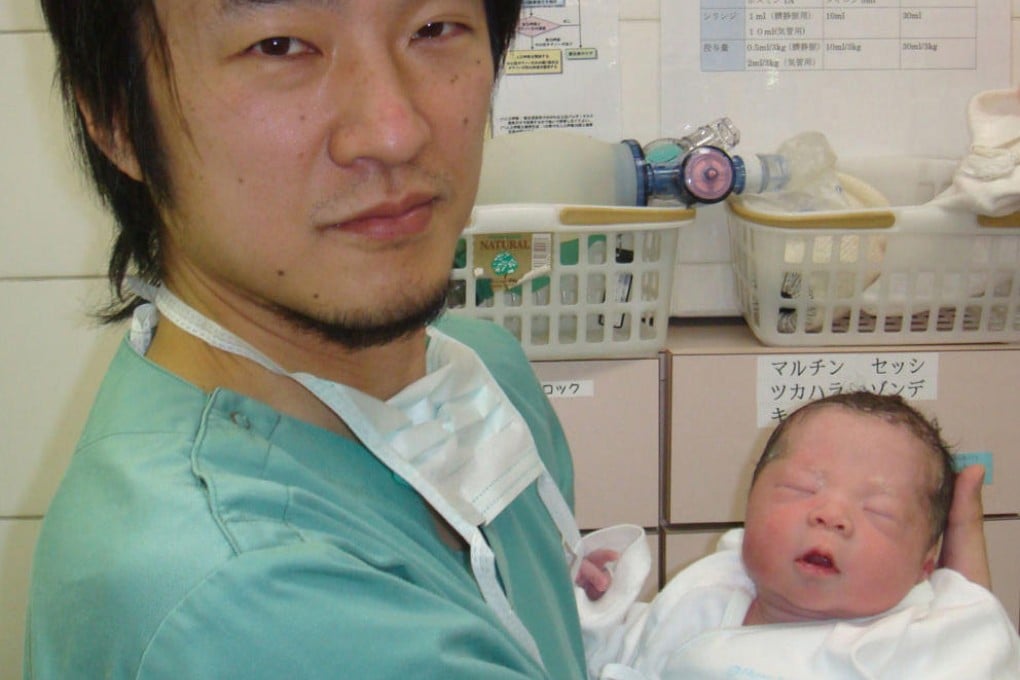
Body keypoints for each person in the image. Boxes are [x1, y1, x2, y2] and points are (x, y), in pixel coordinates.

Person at [23, 0, 992, 678]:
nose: (395, 129)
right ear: (116, 117)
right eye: (281, 43)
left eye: (436, 27)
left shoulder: (476, 374)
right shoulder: (251, 600)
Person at [576, 392, 1020, 679]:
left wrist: (968, 600)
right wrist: (591, 605)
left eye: (878, 511)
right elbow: (621, 655)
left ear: (926, 564)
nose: (831, 515)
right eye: (801, 489)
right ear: (748, 508)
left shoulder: (923, 639)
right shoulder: (707, 591)